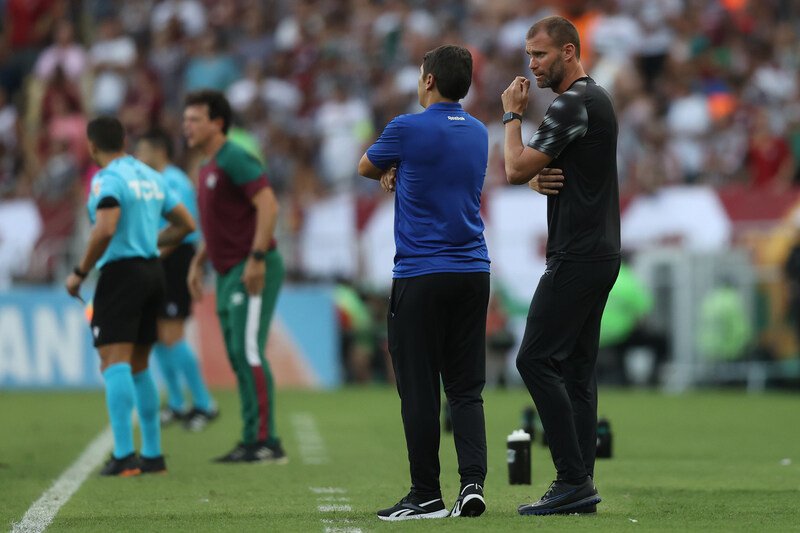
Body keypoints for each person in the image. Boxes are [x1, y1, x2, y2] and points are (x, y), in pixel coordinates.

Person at [358, 44, 491, 521]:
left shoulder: (406, 128)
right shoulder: (479, 132)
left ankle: (426, 494)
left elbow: (366, 166)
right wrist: (406, 168)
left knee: (419, 389)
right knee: (466, 388)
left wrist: (395, 167)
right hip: (473, 271)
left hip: (421, 272)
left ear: (429, 80)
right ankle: (472, 484)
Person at [501, 16, 620, 515]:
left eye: (540, 54)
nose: (532, 64)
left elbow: (513, 167)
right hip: (601, 251)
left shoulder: (572, 103)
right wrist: (536, 177)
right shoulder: (596, 99)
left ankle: (572, 479)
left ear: (569, 52)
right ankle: (580, 484)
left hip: (577, 253)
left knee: (533, 359)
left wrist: (511, 116)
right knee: (576, 370)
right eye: (529, 54)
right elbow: (545, 171)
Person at [65, 116, 195, 476]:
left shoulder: (107, 179)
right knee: (139, 366)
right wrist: (150, 240)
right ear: (124, 141)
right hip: (153, 273)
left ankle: (123, 455)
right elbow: (186, 224)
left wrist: (79, 272)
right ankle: (152, 454)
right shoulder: (152, 176)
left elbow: (105, 227)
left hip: (122, 274)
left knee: (113, 362)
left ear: (92, 146)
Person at [183, 90, 286, 463]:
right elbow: (220, 225)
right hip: (227, 271)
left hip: (251, 266)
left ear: (217, 123)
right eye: (185, 120)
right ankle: (250, 437)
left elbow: (268, 204)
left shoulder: (234, 157)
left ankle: (266, 441)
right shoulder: (207, 166)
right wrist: (198, 262)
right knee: (238, 355)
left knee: (248, 350)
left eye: (195, 120)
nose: (187, 126)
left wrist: (257, 258)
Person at [135, 128, 218, 430]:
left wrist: (151, 257)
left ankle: (204, 403)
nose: (138, 156)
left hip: (174, 259)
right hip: (157, 257)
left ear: (159, 151)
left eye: (143, 150)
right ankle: (177, 403)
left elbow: (183, 228)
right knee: (157, 335)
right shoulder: (153, 180)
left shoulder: (174, 181)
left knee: (172, 333)